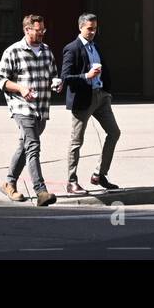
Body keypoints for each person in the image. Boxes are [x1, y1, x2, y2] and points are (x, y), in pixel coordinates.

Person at [0, 14, 60, 207]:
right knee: (33, 146)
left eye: (43, 31)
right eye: (38, 31)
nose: (41, 34)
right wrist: (21, 89)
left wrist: (56, 83)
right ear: (27, 30)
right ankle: (41, 191)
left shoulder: (47, 51)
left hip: (41, 108)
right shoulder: (13, 51)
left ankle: (9, 183)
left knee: (24, 146)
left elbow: (53, 75)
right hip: (21, 108)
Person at [61, 13, 121, 194]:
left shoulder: (95, 47)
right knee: (76, 141)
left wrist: (106, 92)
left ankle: (99, 174)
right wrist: (86, 76)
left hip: (101, 97)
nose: (93, 32)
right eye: (89, 28)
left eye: (95, 28)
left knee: (114, 132)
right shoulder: (72, 48)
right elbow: (65, 77)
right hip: (83, 99)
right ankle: (72, 181)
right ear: (80, 27)